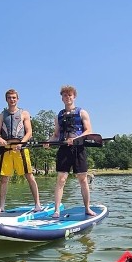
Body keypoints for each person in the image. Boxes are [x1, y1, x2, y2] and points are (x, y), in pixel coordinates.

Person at [46, 85, 96, 217]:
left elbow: (88, 131)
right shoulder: (59, 116)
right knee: (61, 179)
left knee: (83, 179)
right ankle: (56, 211)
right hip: (64, 149)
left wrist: (75, 139)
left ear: (74, 97)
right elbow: (56, 134)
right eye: (65, 95)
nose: (67, 97)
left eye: (70, 95)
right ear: (62, 98)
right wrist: (49, 142)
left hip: (78, 148)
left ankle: (87, 208)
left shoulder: (82, 112)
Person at [0, 89, 42, 213]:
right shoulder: (2, 115)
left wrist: (22, 142)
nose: (12, 99)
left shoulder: (24, 113)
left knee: (29, 176)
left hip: (21, 149)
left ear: (17, 99)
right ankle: (1, 207)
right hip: (6, 149)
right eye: (9, 97)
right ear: (6, 99)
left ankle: (37, 205)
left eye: (14, 97)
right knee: (4, 178)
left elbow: (29, 132)